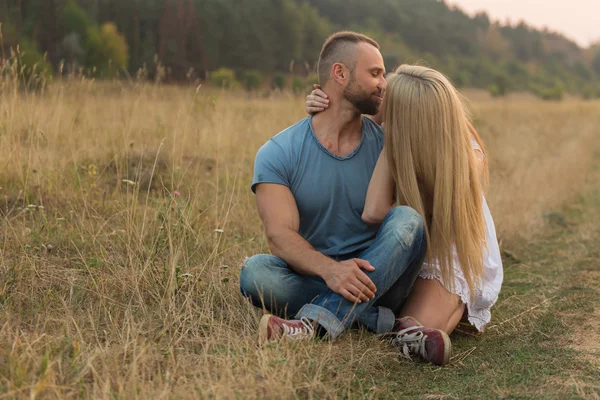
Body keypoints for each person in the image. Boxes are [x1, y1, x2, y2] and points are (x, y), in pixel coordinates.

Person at [240, 32, 454, 366]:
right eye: (375, 74)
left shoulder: (388, 145)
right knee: (255, 273)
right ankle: (382, 322)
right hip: (318, 274)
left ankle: (311, 325)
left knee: (408, 219)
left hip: (385, 280)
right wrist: (333, 271)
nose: (384, 83)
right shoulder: (278, 152)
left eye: (383, 74)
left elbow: (416, 224)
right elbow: (279, 236)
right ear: (340, 74)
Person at [306, 65, 504, 355]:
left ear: (407, 115)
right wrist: (328, 110)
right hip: (393, 252)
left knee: (414, 327)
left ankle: (355, 316)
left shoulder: (466, 158)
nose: (379, 92)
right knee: (267, 277)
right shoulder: (386, 134)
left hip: (442, 254)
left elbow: (382, 215)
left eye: (387, 95)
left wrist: (392, 136)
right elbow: (372, 210)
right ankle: (364, 316)